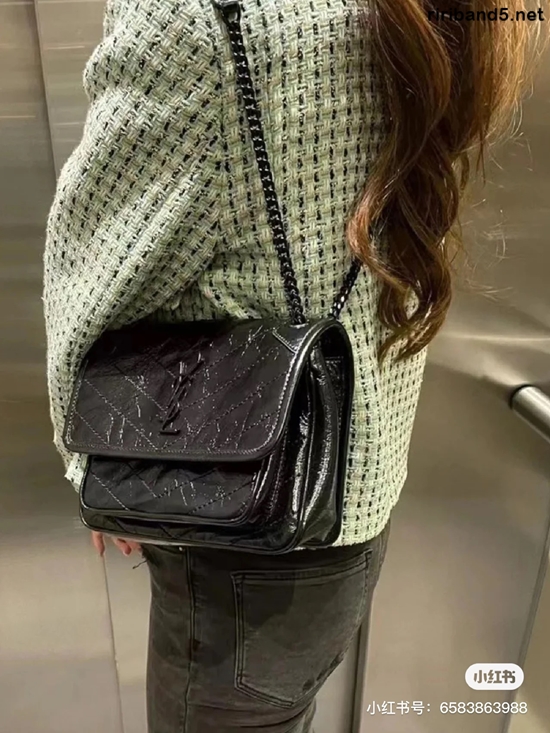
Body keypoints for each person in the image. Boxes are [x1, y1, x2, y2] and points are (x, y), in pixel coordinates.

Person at [43, 0, 543, 730]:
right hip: (353, 503)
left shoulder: (196, 18)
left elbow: (94, 271)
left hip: (245, 534)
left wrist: (90, 459)